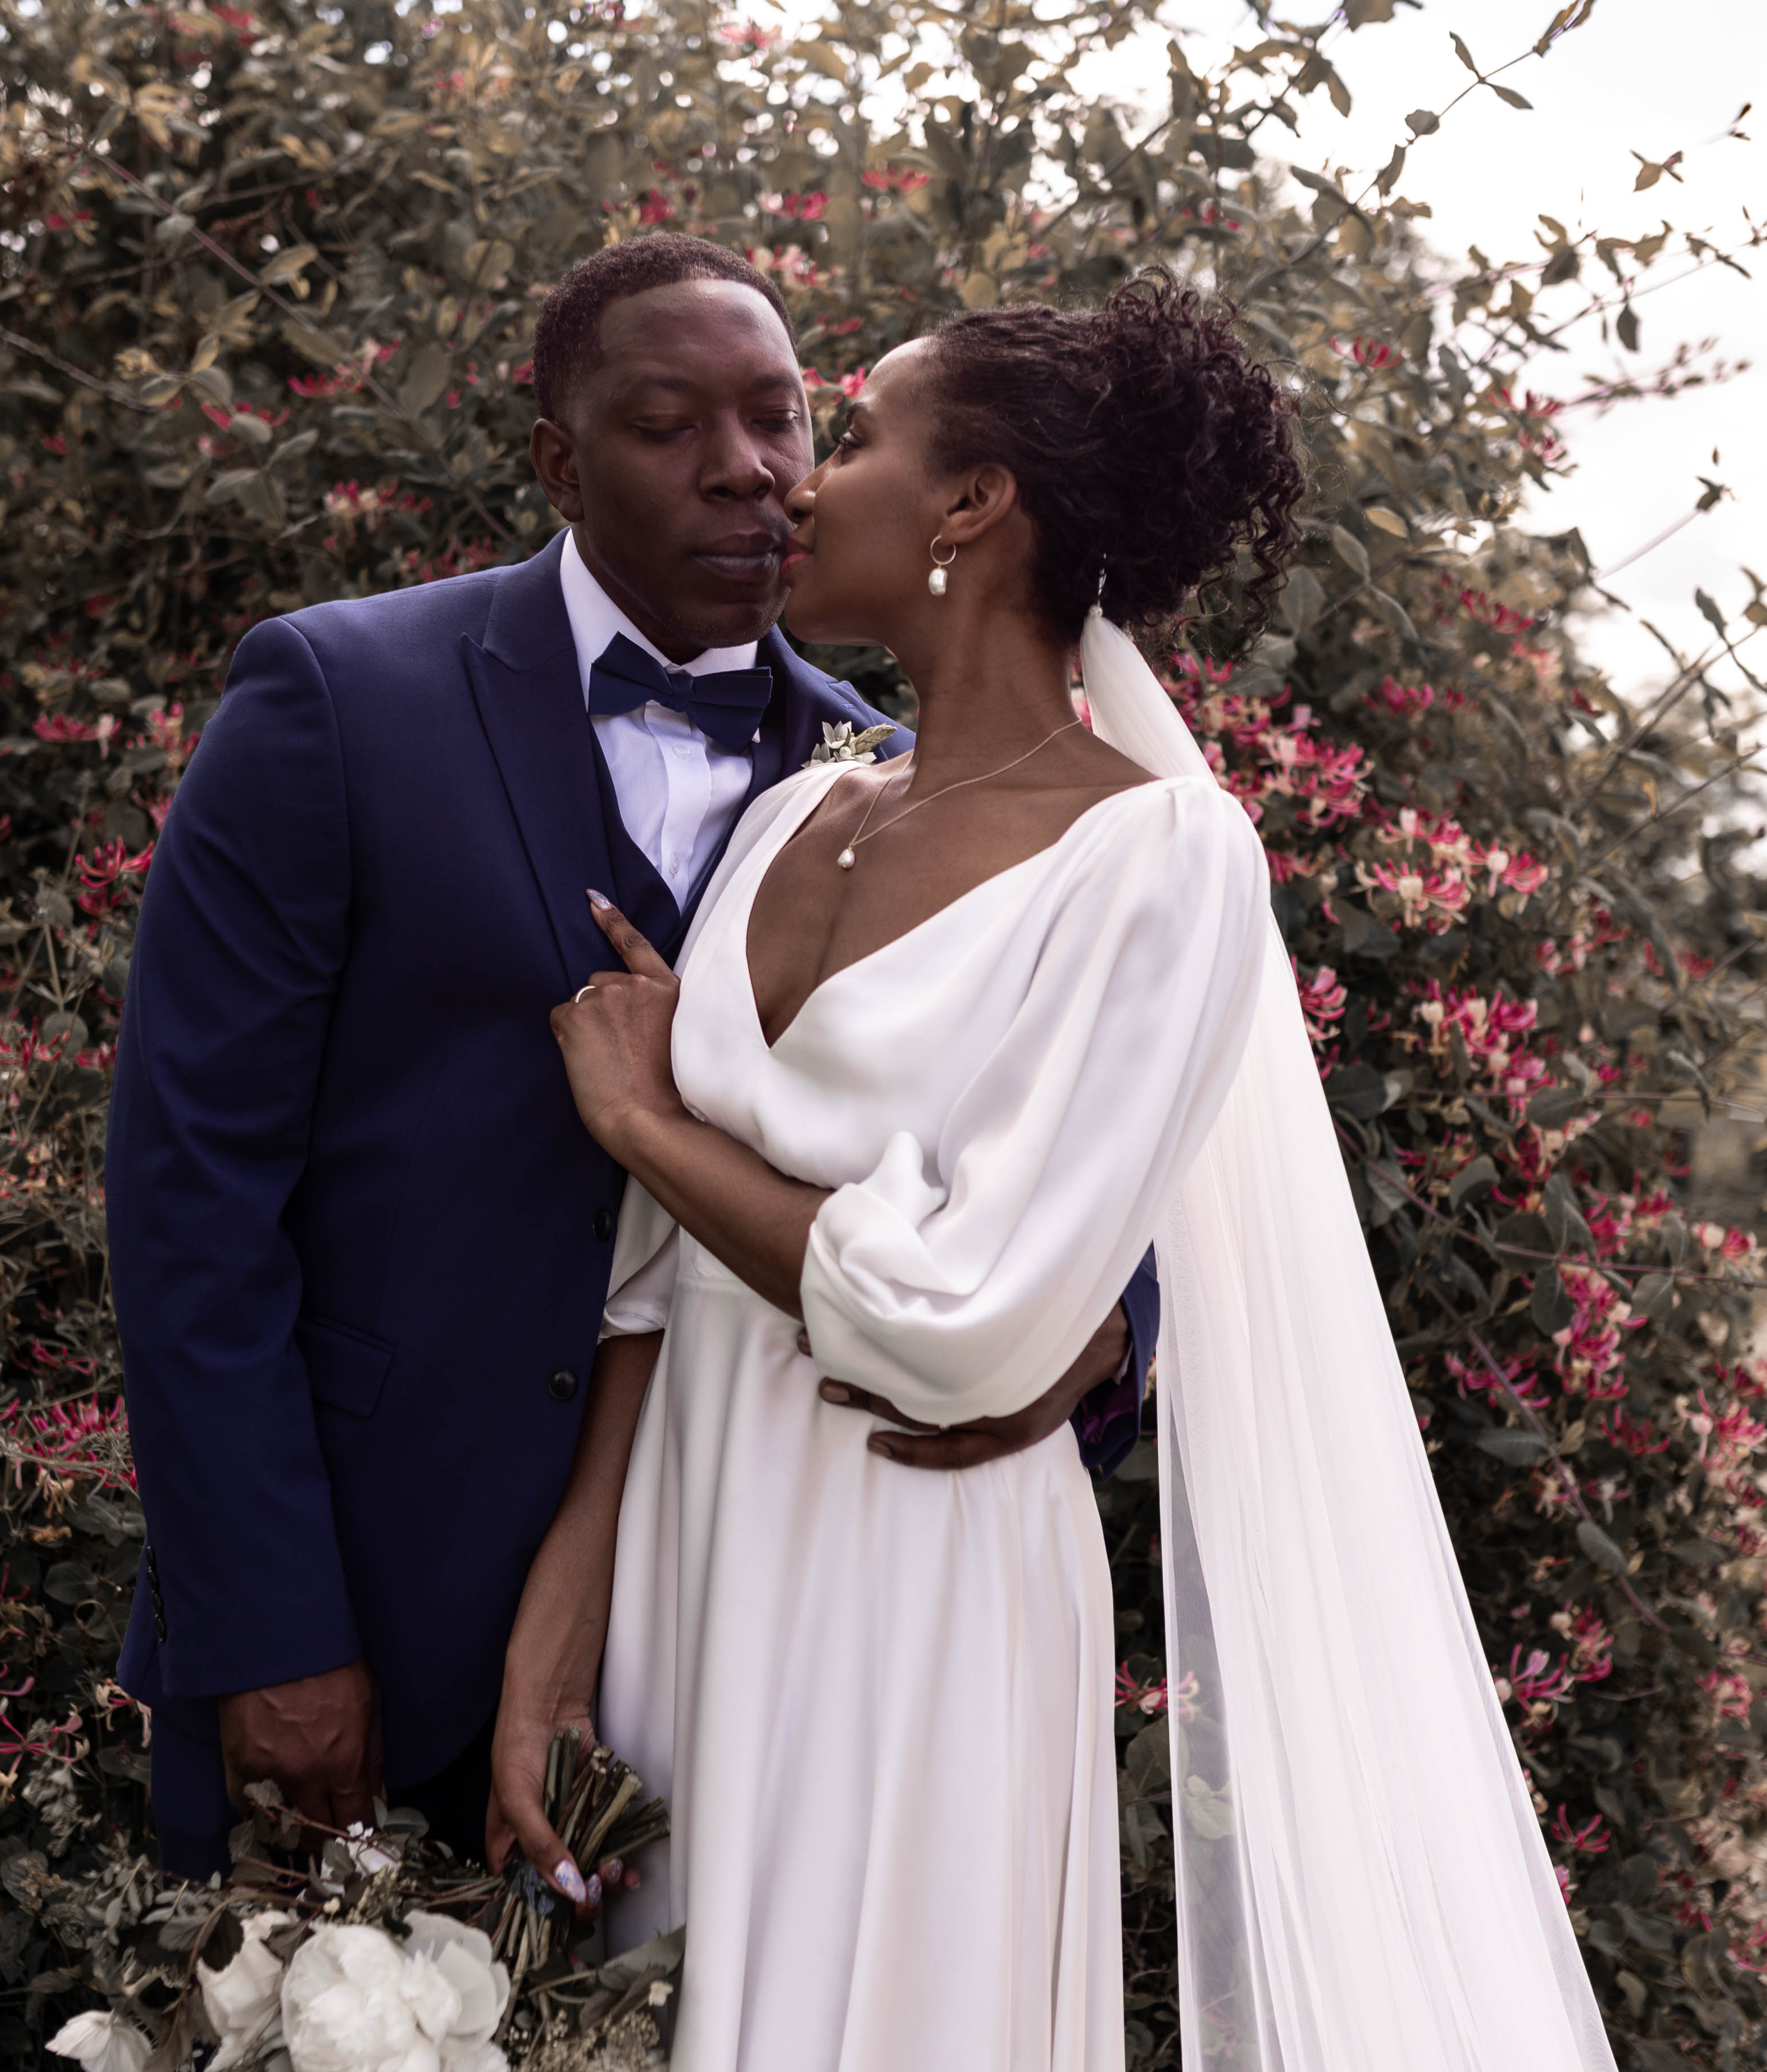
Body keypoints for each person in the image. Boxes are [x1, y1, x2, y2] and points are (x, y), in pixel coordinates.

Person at [506, 277, 1619, 2070]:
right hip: (682, 1551)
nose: (799, 480)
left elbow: (961, 1329)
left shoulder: (1160, 859)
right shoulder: (799, 807)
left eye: (851, 437)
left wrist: (644, 1118)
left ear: (973, 504)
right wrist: (558, 1643)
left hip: (910, 1561)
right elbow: (651, 1280)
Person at [103, 235, 1152, 1883]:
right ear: (557, 462)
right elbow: (188, 1199)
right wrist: (271, 1627)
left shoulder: (886, 782)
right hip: (372, 1607)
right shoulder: (338, 699)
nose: (748, 471)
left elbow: (1084, 1118)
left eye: (785, 419)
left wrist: (1099, 1334)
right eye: (671, 424)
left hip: (757, 1625)